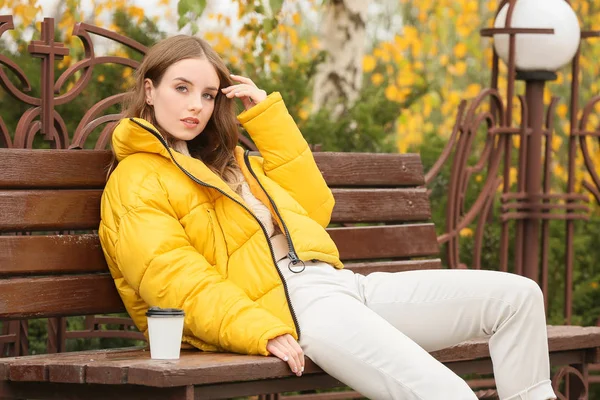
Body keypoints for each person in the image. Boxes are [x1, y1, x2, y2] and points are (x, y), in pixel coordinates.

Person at [98, 34, 557, 400]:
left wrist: (268, 121)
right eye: (182, 89)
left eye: (209, 94)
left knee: (517, 298)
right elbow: (175, 279)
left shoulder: (230, 163)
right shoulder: (137, 179)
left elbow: (315, 212)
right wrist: (261, 330)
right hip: (292, 309)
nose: (196, 105)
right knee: (447, 394)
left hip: (340, 286)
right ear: (149, 90)